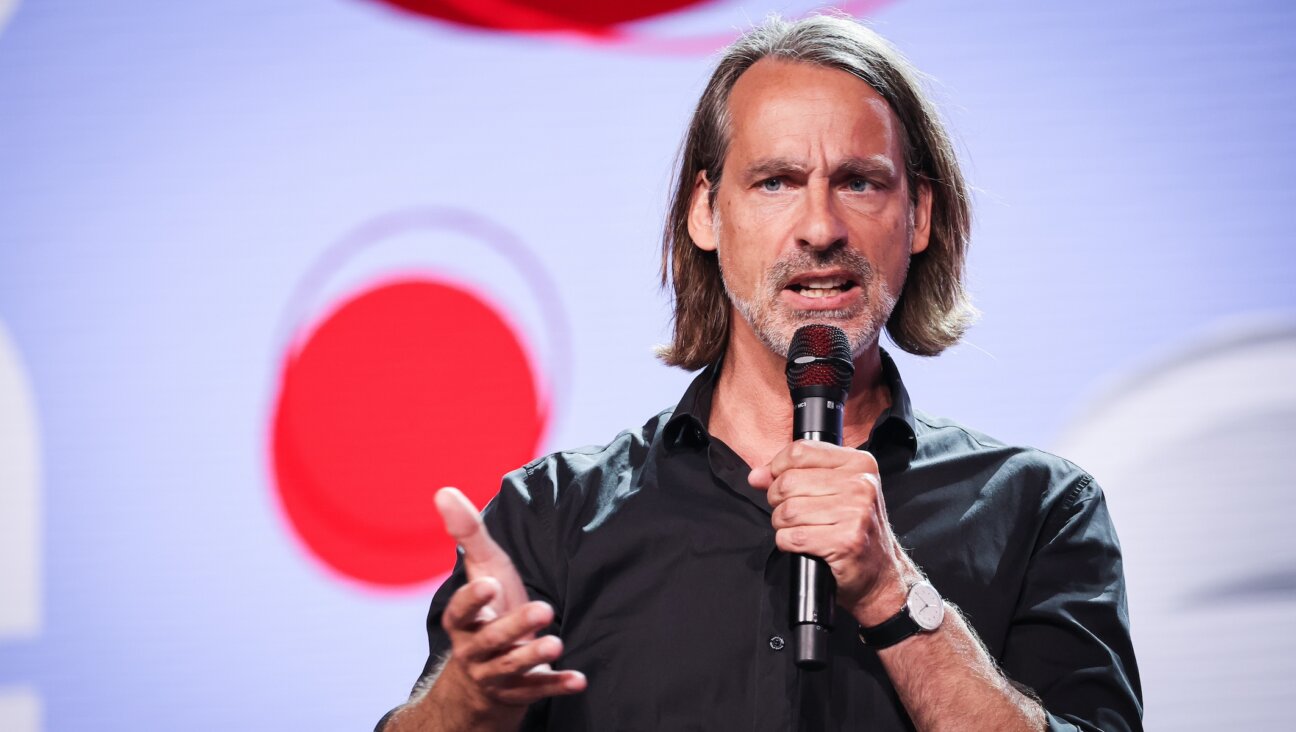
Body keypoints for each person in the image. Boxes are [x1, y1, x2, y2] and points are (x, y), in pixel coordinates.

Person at [378, 14, 1141, 732]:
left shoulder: (1041, 509)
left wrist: (890, 592)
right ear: (706, 211)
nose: (820, 228)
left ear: (919, 216)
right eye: (775, 181)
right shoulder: (550, 517)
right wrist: (468, 701)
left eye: (861, 182)